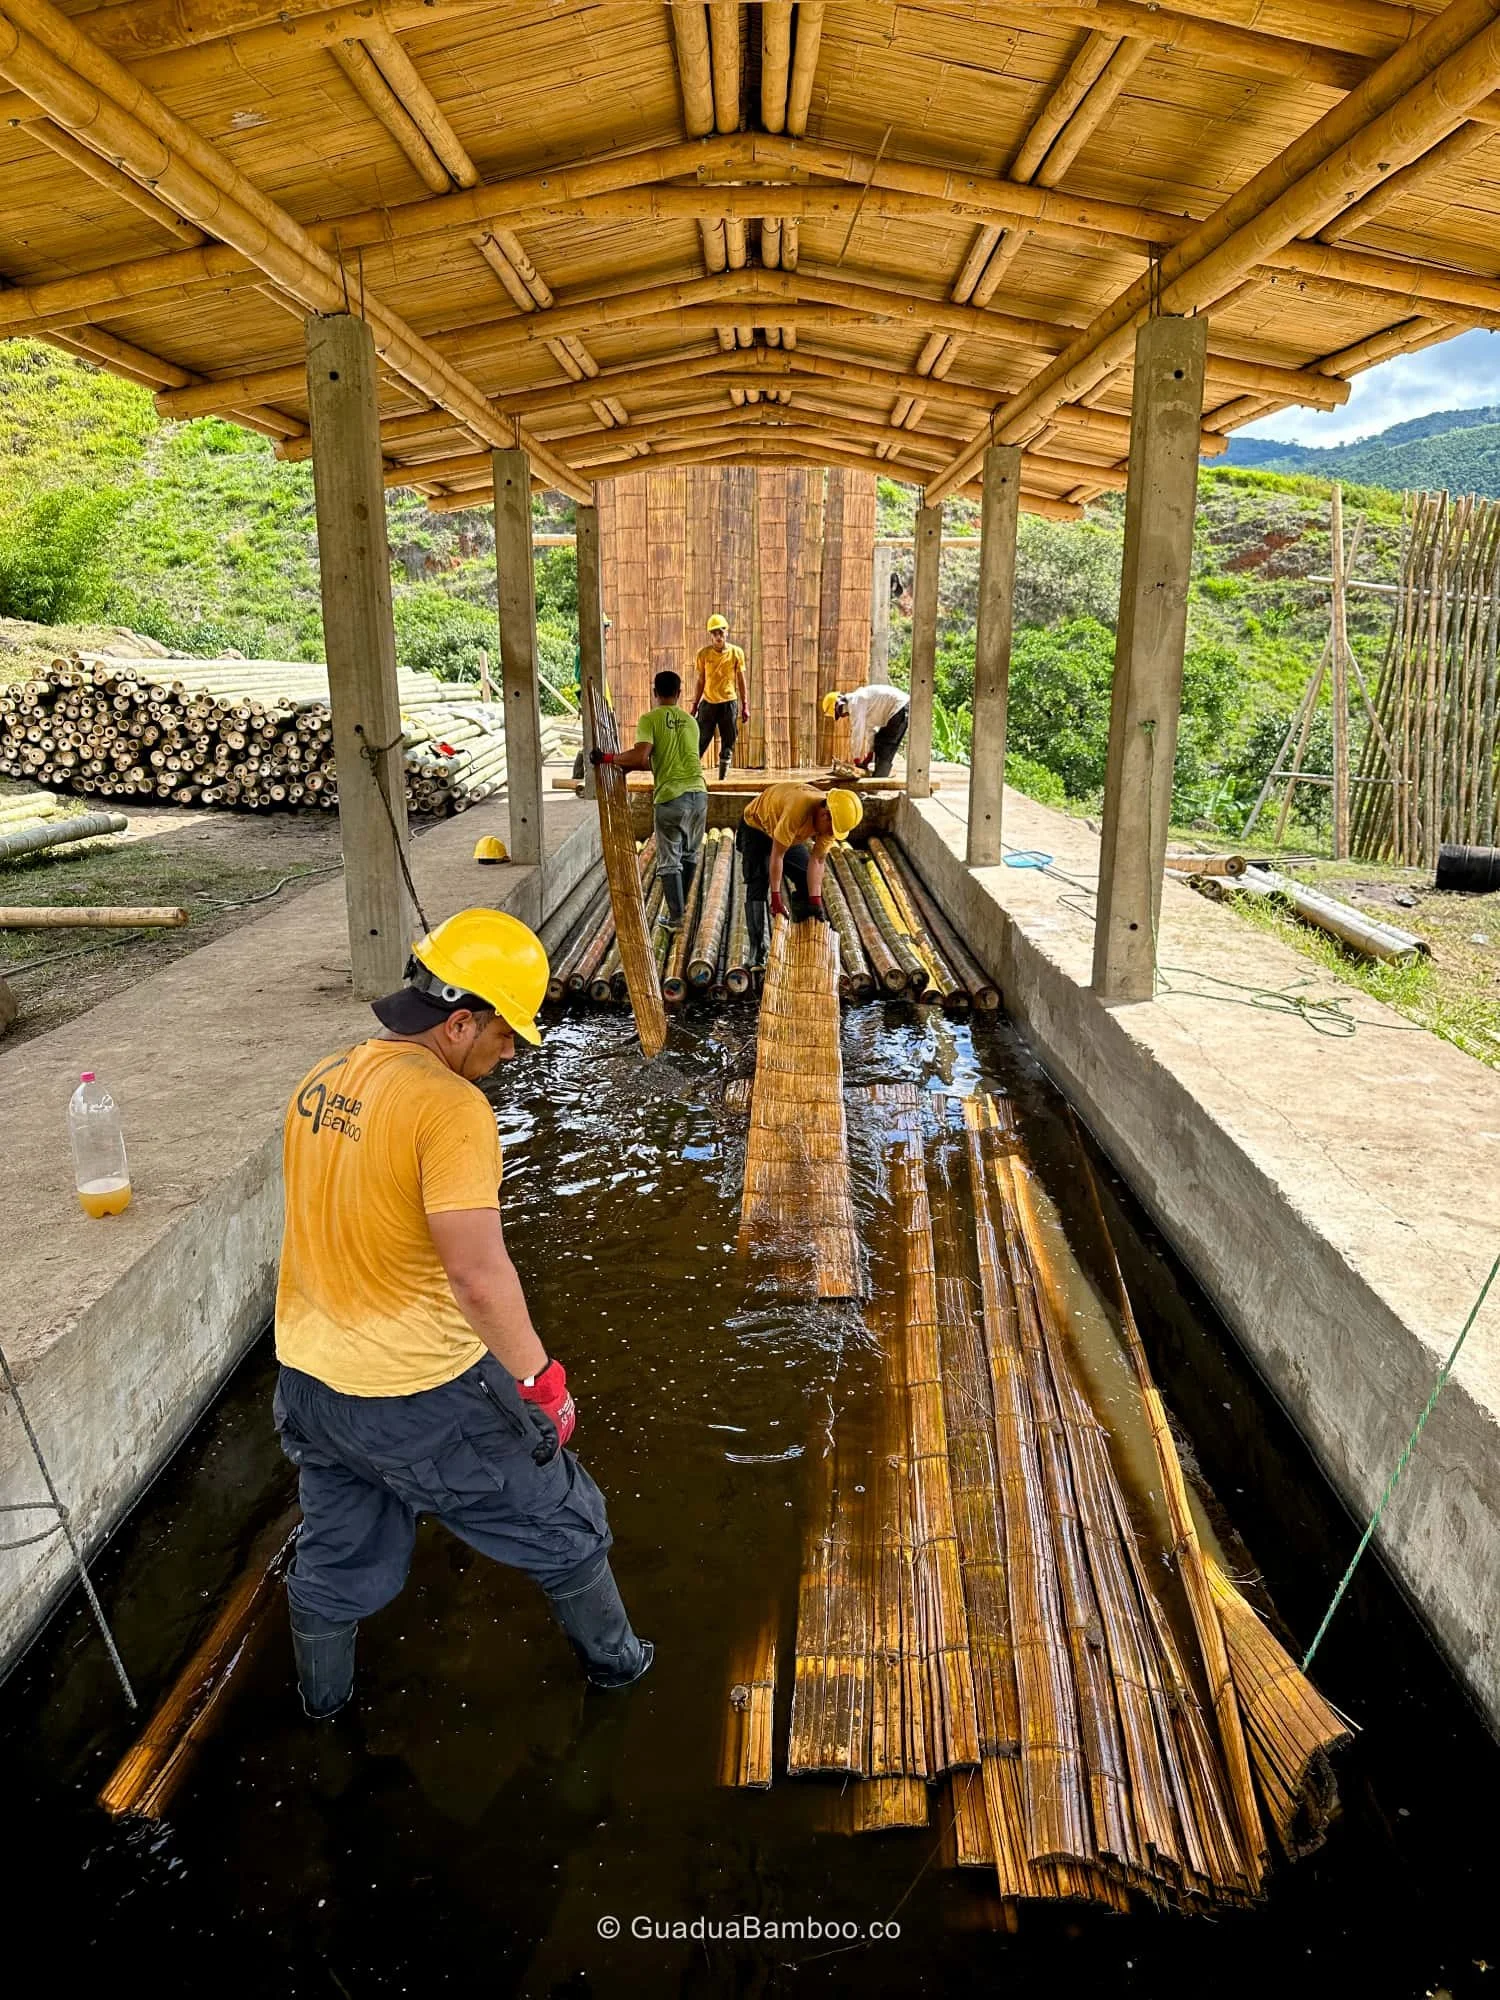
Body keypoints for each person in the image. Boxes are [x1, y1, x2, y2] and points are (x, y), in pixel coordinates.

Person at [273, 909, 652, 1719]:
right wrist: (539, 1380)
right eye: (506, 1033)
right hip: (418, 1390)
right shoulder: (449, 1109)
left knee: (337, 1556)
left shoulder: (322, 1079)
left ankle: (320, 1708)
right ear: (458, 1022)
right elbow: (477, 1274)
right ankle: (623, 1672)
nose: (511, 1052)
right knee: (565, 1520)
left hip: (310, 1381)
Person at [590, 669, 707, 932]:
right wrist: (627, 763)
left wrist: (608, 759)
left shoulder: (650, 719)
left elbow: (642, 757)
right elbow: (664, 759)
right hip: (699, 794)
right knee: (689, 853)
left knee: (669, 860)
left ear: (654, 692)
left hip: (670, 798)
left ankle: (676, 918)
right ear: (679, 693)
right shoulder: (691, 722)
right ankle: (683, 909)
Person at [736, 782, 863, 966]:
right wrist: (776, 898)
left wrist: (815, 900)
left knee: (805, 877)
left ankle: (802, 938)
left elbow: (818, 861)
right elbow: (777, 855)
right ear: (824, 814)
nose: (830, 834)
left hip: (785, 833)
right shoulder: (798, 808)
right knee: (758, 881)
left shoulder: (831, 823)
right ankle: (757, 954)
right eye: (831, 829)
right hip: (756, 827)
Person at [691, 613, 749, 781]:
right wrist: (695, 704)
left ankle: (722, 779)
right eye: (715, 633)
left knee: (728, 740)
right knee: (701, 739)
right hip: (709, 703)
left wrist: (745, 705)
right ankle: (691, 775)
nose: (718, 636)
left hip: (728, 703)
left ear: (726, 632)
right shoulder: (704, 654)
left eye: (721, 632)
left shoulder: (736, 653)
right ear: (711, 635)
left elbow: (741, 680)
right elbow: (701, 680)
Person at [823, 685, 910, 777]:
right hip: (900, 708)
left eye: (840, 713)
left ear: (838, 707)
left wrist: (856, 758)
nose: (844, 715)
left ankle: (879, 780)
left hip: (900, 707)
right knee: (880, 740)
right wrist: (870, 752)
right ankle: (879, 777)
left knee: (885, 744)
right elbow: (870, 731)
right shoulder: (862, 704)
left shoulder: (856, 702)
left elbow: (857, 733)